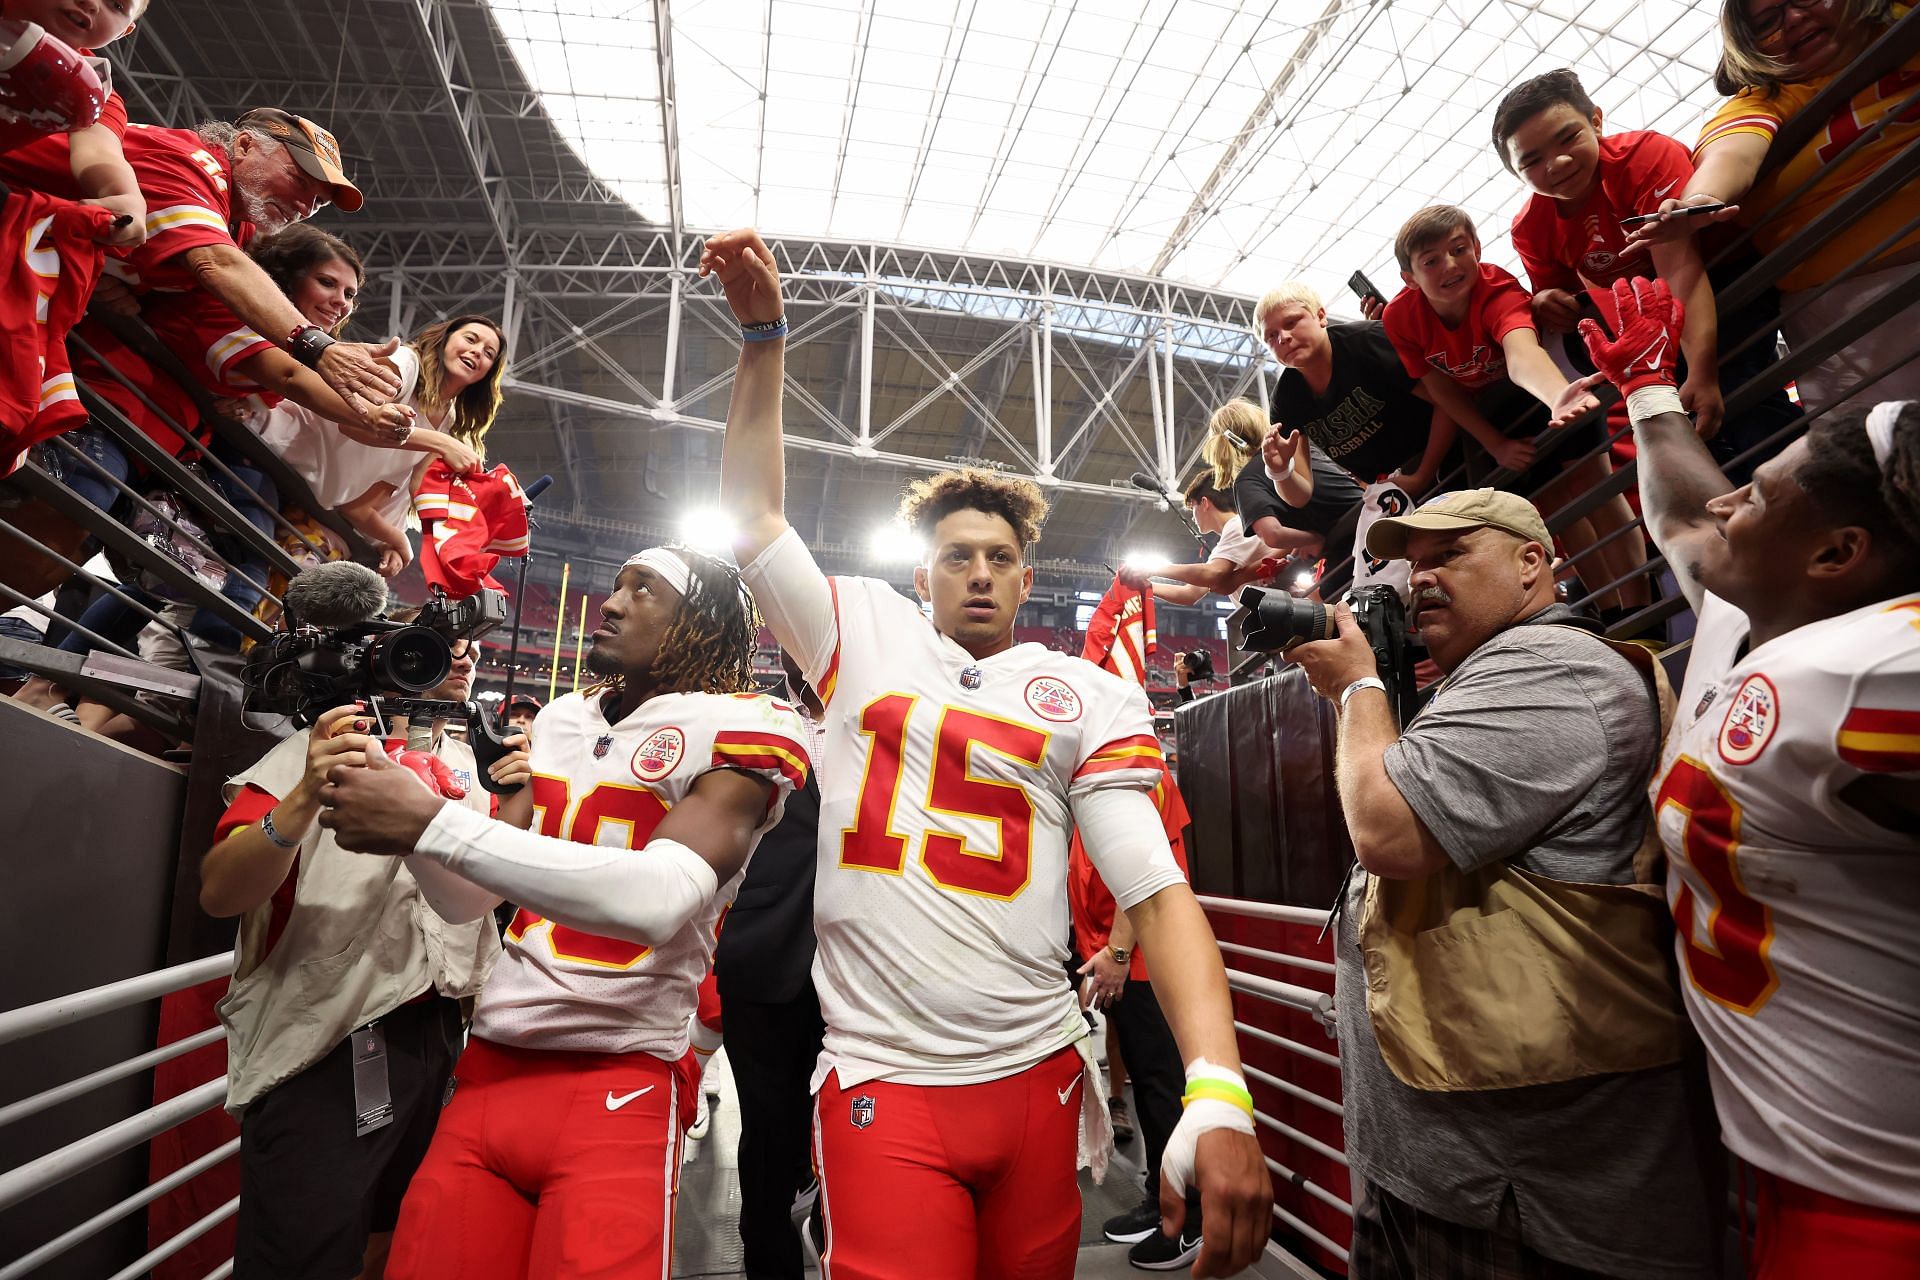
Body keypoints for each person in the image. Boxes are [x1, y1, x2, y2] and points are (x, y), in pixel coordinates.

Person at [703, 226, 1272, 1280]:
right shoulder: (856, 632)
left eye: (1000, 558)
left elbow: (1155, 887)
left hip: (1040, 1075)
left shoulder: (1090, 692)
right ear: (922, 577)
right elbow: (753, 517)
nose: (978, 572)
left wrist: (1218, 1082)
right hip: (887, 1071)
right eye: (956, 556)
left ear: (1023, 580)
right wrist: (765, 339)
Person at [315, 545, 809, 1280]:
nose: (611, 603)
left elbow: (659, 899)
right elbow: (465, 902)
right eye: (614, 584)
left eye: (643, 590)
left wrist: (433, 825)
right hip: (491, 1070)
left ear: (701, 621)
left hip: (622, 1075)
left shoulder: (747, 726)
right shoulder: (565, 721)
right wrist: (404, 815)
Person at [1570, 276, 1920, 1276]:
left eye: (1761, 492)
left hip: (1882, 1208)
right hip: (1789, 1170)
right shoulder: (1752, 610)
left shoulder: (1855, 665)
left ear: (1840, 553)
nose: (1730, 495)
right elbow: (1685, 515)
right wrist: (1648, 393)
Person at [1285, 482, 1722, 1279]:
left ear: (1532, 564)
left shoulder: (1549, 667)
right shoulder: (1486, 676)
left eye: (1448, 554)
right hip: (1453, 1171)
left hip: (1520, 1191)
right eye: (1411, 564)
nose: (1418, 579)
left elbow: (1387, 830)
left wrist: (1356, 686)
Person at [199, 627, 510, 1280]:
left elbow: (486, 898)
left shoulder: (466, 769)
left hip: (437, 1035)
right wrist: (308, 793)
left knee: (394, 1242)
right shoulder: (299, 760)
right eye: (442, 641)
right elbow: (221, 891)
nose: (467, 656)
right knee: (302, 1256)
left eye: (474, 645)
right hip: (323, 1045)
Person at [0, 106, 401, 417]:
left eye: (317, 203)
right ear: (243, 146)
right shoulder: (189, 160)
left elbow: (192, 304)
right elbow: (216, 263)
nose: (303, 206)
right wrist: (319, 347)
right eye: (299, 181)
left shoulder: (237, 226)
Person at [1626, 0, 1920, 412]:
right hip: (1845, 316)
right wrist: (1700, 200)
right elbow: (1730, 153)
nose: (1795, 19)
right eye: (1768, 22)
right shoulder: (1763, 98)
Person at [1381, 205, 1647, 618]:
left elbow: (1522, 351)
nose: (1450, 265)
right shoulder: (1399, 317)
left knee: (1597, 489)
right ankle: (1610, 613)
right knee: (1559, 507)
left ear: (1477, 247)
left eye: (1459, 249)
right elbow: (1441, 390)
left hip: (1547, 387)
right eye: (1431, 260)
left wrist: (1558, 395)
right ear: (1410, 278)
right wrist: (1495, 443)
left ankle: (1640, 606)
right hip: (1498, 414)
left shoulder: (1497, 289)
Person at [1493, 69, 1725, 439]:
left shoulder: (1644, 156)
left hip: (1721, 290)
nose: (1557, 163)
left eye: (1568, 138)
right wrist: (1547, 300)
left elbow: (1678, 264)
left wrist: (1701, 370)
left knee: (1748, 409)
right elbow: (1560, 295)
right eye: (1532, 161)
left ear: (1596, 122)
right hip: (1650, 333)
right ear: (1516, 174)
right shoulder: (1529, 229)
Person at [713, 650, 828, 1279]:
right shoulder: (755, 724)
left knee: (863, 1136)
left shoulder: (887, 731)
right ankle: (771, 1266)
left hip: (867, 968)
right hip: (765, 962)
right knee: (767, 1137)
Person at [0, 0, 146, 239]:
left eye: (117, 5)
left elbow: (99, 153)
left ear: (124, 31)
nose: (90, 3)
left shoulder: (97, 90)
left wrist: (128, 197)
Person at [1119, 469, 1288, 604]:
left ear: (1205, 503)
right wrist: (1142, 585)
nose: (1193, 516)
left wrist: (1153, 569)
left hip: (1281, 612)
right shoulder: (1232, 538)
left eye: (1193, 506)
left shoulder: (1237, 525)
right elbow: (1189, 594)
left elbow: (1213, 573)